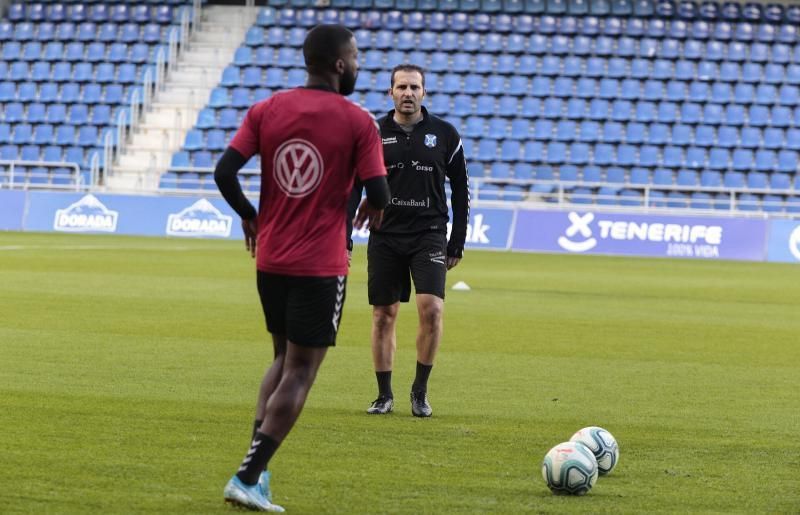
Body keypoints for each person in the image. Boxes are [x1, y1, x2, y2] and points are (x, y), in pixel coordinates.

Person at [214, 24, 390, 512]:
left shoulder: (267, 109)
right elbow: (379, 193)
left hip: (270, 258)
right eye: (354, 56)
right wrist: (371, 208)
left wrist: (251, 216)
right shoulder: (358, 121)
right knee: (301, 372)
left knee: (280, 359)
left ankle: (258, 472)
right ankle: (248, 476)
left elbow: (224, 172)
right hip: (320, 264)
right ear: (339, 64)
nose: (357, 64)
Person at [347, 64, 470, 418]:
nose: (408, 93)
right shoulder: (373, 133)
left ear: (424, 92)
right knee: (384, 316)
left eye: (414, 87)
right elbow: (355, 186)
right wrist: (345, 235)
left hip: (429, 235)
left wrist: (456, 240)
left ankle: (419, 391)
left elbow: (461, 188)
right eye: (401, 87)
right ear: (391, 92)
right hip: (385, 235)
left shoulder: (445, 134)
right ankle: (384, 395)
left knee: (432, 310)